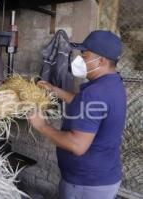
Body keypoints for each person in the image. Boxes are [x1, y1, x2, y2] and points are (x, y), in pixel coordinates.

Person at [29, 30, 127, 199]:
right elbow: (84, 101)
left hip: (86, 184)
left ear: (102, 60)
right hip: (103, 177)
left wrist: (41, 125)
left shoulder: (95, 93)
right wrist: (55, 90)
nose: (79, 60)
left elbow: (77, 145)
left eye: (85, 55)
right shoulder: (113, 83)